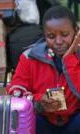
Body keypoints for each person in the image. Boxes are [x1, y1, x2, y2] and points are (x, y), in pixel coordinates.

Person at [6, 5, 80, 134]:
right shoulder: (29, 57)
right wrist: (38, 102)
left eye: (65, 35)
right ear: (44, 35)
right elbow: (15, 94)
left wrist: (69, 60)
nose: (58, 41)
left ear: (76, 31)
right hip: (41, 121)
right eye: (51, 36)